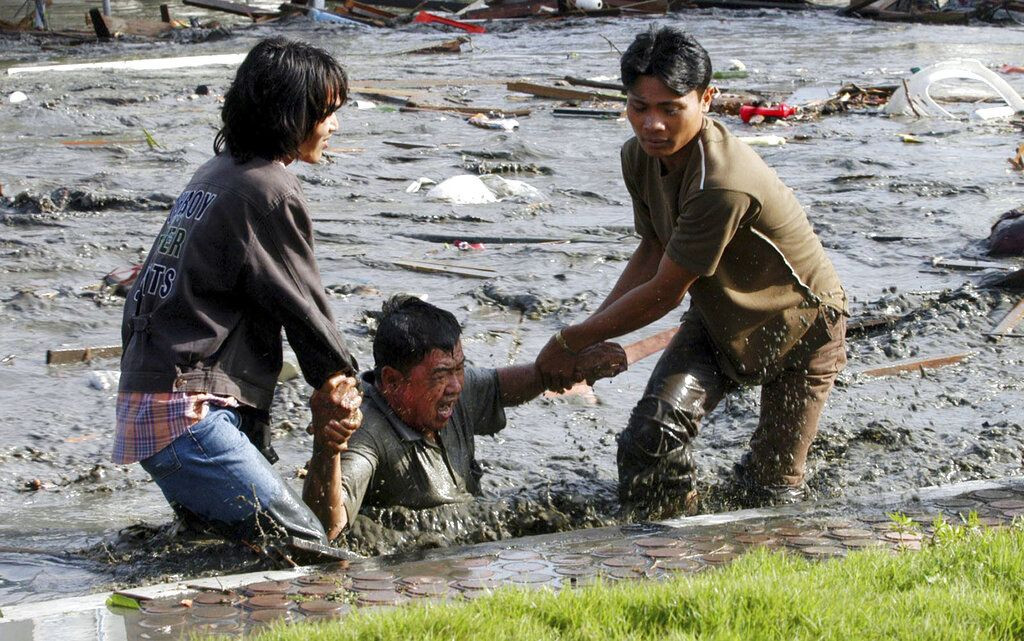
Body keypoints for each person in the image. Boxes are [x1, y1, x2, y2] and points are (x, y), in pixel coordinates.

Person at [535, 27, 848, 512]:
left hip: (801, 326)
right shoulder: (637, 156)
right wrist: (590, 339)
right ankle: (664, 545)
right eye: (639, 107)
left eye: (670, 108)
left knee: (773, 491)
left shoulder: (721, 183)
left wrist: (569, 341)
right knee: (651, 436)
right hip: (719, 318)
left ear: (707, 99)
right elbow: (653, 247)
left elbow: (665, 292)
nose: (652, 125)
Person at [113, 38, 362, 546]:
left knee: (223, 548)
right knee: (304, 546)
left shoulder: (217, 173)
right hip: (186, 413)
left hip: (152, 400)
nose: (334, 125)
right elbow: (303, 305)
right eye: (327, 112)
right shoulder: (268, 189)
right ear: (293, 113)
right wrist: (340, 381)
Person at [303, 296, 627, 539]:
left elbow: (505, 388)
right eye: (442, 374)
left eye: (460, 368)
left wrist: (567, 369)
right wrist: (327, 450)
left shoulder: (457, 389)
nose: (456, 386)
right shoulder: (366, 432)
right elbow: (327, 531)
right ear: (391, 381)